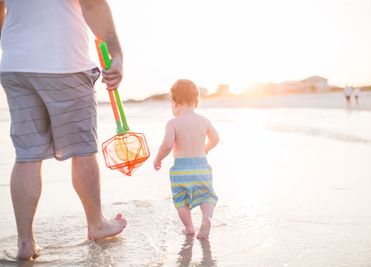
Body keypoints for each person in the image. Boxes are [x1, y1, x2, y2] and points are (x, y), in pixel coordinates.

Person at [0, 0, 127, 261]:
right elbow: (92, 4)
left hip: (15, 64)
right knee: (83, 150)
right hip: (64, 62)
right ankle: (96, 224)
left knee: (27, 155)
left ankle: (25, 242)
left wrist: (17, 47)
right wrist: (117, 54)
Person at [153, 79, 219, 239]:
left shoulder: (173, 123)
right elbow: (215, 139)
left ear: (174, 102)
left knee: (181, 199)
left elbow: (167, 145)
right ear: (196, 100)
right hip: (201, 166)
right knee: (206, 195)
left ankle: (189, 227)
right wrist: (205, 149)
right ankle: (207, 218)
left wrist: (158, 159)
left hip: (181, 169)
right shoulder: (204, 121)